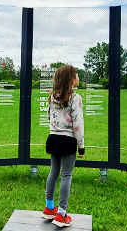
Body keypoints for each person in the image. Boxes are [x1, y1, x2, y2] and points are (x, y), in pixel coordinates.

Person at [41, 64, 85, 227]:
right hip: (67, 140)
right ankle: (61, 214)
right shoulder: (75, 98)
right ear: (72, 80)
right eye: (77, 75)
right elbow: (77, 124)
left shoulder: (53, 96)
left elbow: (48, 116)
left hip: (53, 138)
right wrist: (81, 145)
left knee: (53, 172)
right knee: (66, 175)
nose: (78, 78)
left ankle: (49, 208)